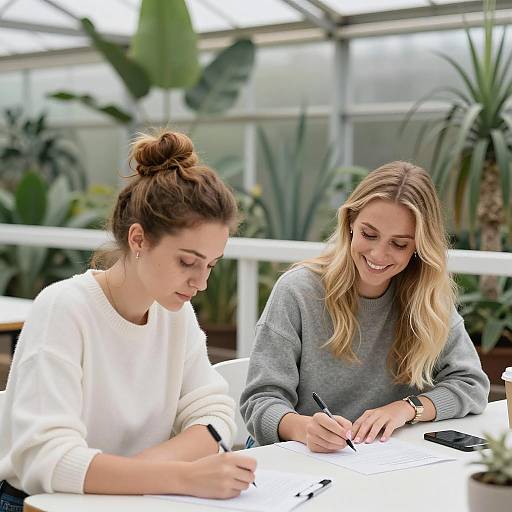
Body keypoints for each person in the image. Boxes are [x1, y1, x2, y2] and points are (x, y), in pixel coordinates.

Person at [0, 129, 256, 510]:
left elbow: (214, 414)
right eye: (187, 262)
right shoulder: (64, 309)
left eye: (211, 265)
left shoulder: (175, 314)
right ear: (138, 239)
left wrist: (136, 474)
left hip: (133, 498)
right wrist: (182, 477)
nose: (201, 282)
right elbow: (46, 460)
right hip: (41, 505)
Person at [240, 161, 489, 452]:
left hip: (382, 460)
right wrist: (306, 429)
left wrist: (406, 409)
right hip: (297, 457)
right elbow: (260, 401)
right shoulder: (297, 291)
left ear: (418, 248)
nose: (379, 254)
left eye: (399, 244)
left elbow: (471, 384)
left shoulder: (428, 299)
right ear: (349, 224)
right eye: (369, 235)